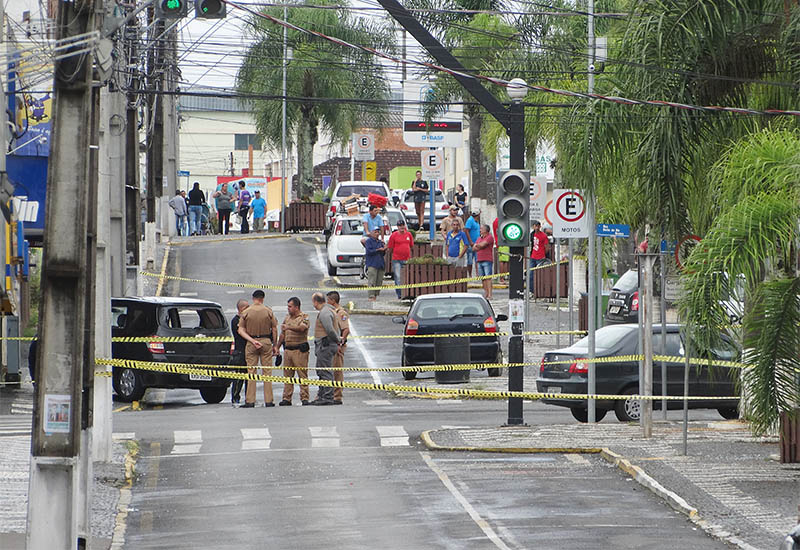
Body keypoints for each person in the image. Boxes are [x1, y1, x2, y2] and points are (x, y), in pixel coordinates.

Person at [237, 289, 278, 408]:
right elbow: (274, 329)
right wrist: (275, 345)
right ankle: (269, 400)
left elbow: (240, 330)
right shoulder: (268, 311)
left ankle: (250, 400)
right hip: (266, 341)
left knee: (251, 371)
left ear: (253, 298)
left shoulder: (246, 312)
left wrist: (252, 340)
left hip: (251, 342)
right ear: (262, 298)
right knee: (267, 372)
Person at [276, 296, 310, 406]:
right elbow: (282, 334)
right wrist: (277, 347)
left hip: (299, 351)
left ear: (296, 307)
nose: (288, 308)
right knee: (287, 376)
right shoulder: (287, 318)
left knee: (302, 375)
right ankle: (287, 398)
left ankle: (304, 397)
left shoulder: (304, 317)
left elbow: (302, 328)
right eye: (288, 306)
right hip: (288, 350)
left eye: (290, 306)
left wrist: (289, 327)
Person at [309, 292, 340, 406]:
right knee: (321, 370)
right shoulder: (326, 311)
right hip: (324, 345)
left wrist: (337, 340)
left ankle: (327, 396)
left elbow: (330, 329)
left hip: (325, 345)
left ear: (316, 302)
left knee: (325, 371)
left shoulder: (325, 313)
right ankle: (322, 395)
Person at [326, 291, 350, 405]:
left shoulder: (340, 313)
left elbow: (346, 330)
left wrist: (340, 343)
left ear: (333, 301)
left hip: (337, 346)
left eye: (328, 300)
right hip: (330, 346)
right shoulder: (331, 312)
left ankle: (337, 396)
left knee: (337, 371)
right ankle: (329, 394)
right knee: (328, 370)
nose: (327, 302)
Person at [386, 219, 413, 299]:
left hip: (407, 259)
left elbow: (411, 245)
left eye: (402, 225)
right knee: (398, 277)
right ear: (397, 227)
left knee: (407, 277)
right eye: (400, 226)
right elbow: (390, 247)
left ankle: (406, 293)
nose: (401, 227)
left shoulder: (409, 234)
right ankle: (400, 294)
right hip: (397, 259)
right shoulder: (394, 235)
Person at [229, 299, 249, 405]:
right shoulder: (236, 320)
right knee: (239, 377)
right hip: (240, 352)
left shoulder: (246, 319)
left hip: (248, 352)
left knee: (249, 377)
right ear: (241, 309)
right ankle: (235, 397)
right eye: (246, 307)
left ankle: (249, 397)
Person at [362, 227, 386, 300]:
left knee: (379, 281)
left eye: (378, 232)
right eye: (375, 232)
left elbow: (383, 253)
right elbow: (369, 251)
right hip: (372, 263)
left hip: (380, 264)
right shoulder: (369, 241)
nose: (377, 234)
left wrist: (384, 249)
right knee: (372, 280)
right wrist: (378, 250)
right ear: (371, 233)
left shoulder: (380, 242)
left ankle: (376, 295)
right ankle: (371, 295)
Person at [473, 224, 495, 299]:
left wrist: (478, 245)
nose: (480, 230)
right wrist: (478, 246)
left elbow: (482, 245)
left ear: (486, 230)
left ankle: (490, 294)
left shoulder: (489, 237)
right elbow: (474, 248)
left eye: (481, 229)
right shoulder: (479, 238)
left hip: (487, 259)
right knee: (483, 278)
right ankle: (486, 293)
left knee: (488, 277)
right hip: (479, 259)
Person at [529, 220, 550, 293]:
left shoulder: (543, 236)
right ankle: (532, 290)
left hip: (541, 257)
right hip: (532, 257)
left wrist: (544, 254)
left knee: (540, 275)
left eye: (538, 226)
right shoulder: (531, 235)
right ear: (533, 227)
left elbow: (547, 247)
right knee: (530, 275)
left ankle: (540, 290)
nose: (537, 228)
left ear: (540, 226)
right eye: (535, 226)